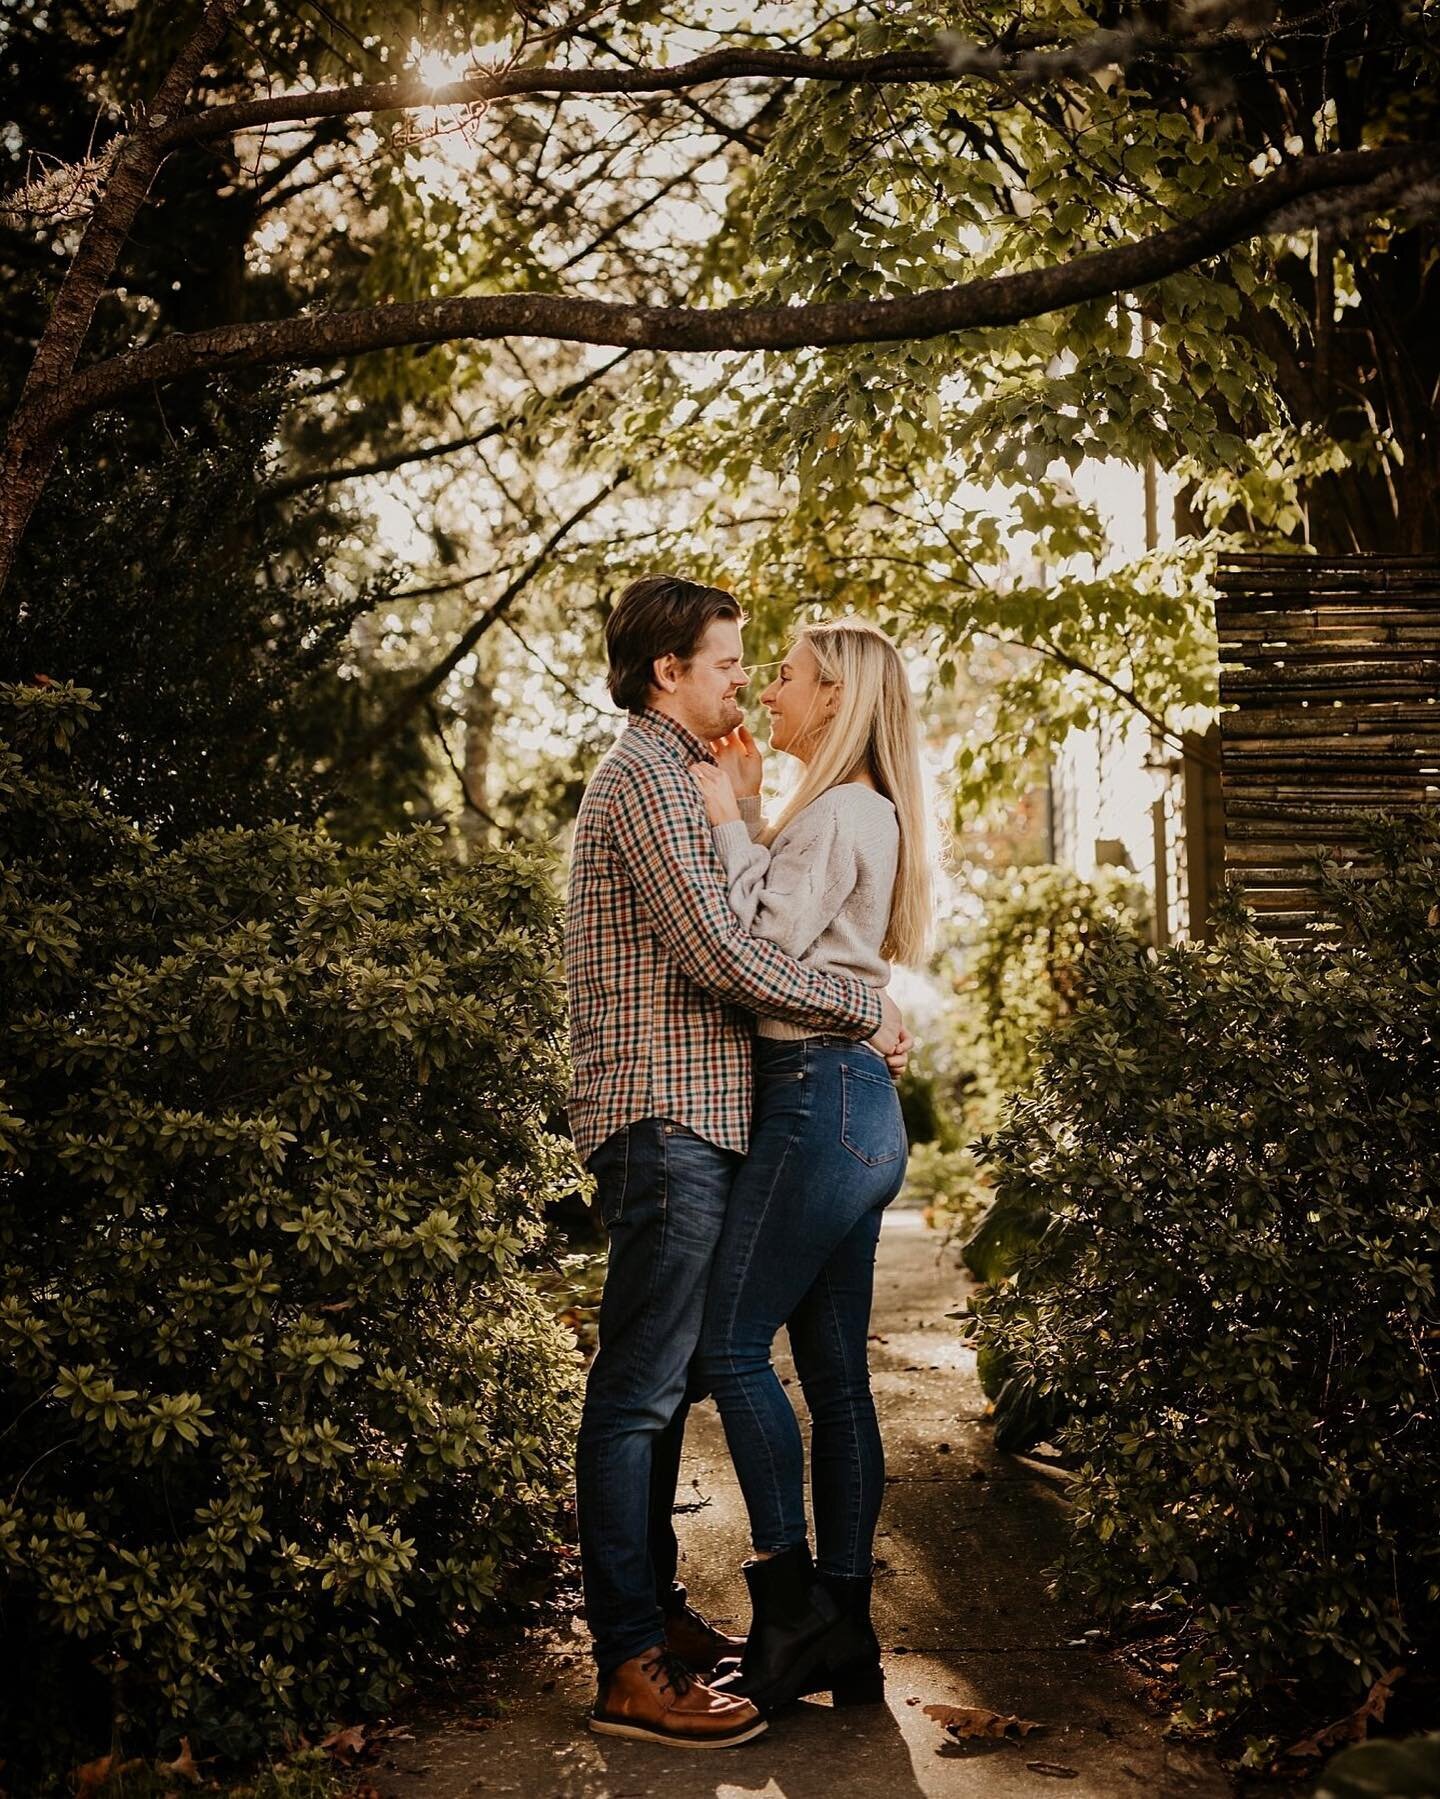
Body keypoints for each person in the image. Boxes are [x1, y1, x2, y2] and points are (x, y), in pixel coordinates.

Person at [564, 576, 909, 1749]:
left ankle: (655, 1619)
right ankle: (626, 1657)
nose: (744, 683)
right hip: (668, 1117)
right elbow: (726, 948)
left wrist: (745, 817)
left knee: (669, 1383)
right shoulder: (651, 776)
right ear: (670, 671)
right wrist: (860, 1010)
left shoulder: (693, 776)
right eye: (727, 663)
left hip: (712, 1114)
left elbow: (759, 921)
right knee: (641, 1388)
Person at [688, 618, 932, 1717]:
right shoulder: (866, 809)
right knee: (836, 1383)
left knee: (732, 1343)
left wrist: (732, 816)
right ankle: (846, 1628)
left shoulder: (835, 809)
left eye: (785, 676)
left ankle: (787, 1603)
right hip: (861, 1109)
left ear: (835, 696)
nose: (769, 692)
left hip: (815, 1099)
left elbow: (758, 955)